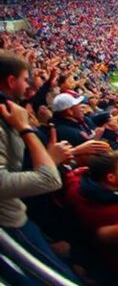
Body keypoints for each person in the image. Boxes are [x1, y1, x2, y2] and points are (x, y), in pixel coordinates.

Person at [0, 50, 80, 284]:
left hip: (17, 214)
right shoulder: (10, 119)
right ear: (11, 81)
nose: (28, 86)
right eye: (25, 79)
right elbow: (48, 179)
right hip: (9, 222)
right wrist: (27, 131)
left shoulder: (9, 110)